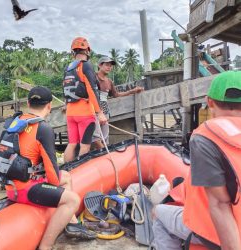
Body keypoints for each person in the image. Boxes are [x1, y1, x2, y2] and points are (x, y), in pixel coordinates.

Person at [0, 86, 96, 250]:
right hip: (24, 191)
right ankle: (46, 246)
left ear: (28, 103)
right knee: (72, 199)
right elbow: (53, 178)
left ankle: (71, 223)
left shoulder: (16, 121)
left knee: (66, 176)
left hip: (10, 186)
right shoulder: (43, 129)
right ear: (49, 106)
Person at [152, 71, 241, 250]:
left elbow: (219, 205)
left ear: (209, 102)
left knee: (158, 212)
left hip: (216, 233)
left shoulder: (206, 138)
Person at [63, 37, 107, 162]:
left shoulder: (68, 69)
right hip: (84, 113)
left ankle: (67, 172)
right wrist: (100, 113)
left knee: (72, 144)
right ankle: (79, 172)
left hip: (70, 112)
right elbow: (92, 90)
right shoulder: (86, 65)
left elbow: (66, 91)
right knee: (84, 145)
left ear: (73, 52)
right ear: (87, 51)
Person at [92, 56, 144, 149]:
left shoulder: (109, 82)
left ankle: (105, 156)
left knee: (104, 138)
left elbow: (116, 95)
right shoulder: (92, 77)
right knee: (95, 139)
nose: (109, 67)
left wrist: (132, 91)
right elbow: (82, 90)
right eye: (107, 65)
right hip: (93, 110)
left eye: (110, 66)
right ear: (100, 65)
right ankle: (102, 155)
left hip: (105, 111)